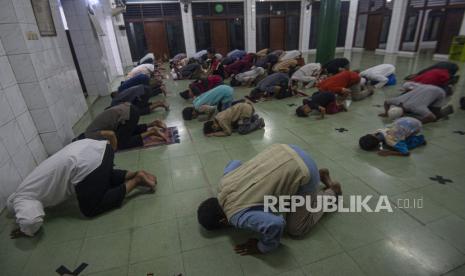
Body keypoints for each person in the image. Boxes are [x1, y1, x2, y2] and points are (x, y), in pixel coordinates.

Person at [197, 144, 341, 255]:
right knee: (278, 196)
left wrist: (263, 246)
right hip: (285, 150)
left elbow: (276, 224)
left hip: (304, 171)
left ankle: (331, 192)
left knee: (296, 229)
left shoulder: (236, 216)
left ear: (223, 221)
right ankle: (318, 175)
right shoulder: (223, 182)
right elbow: (234, 162)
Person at [7, 139, 157, 238]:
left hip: (87, 163)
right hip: (100, 148)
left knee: (91, 208)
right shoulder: (27, 184)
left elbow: (31, 221)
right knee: (102, 178)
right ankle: (137, 173)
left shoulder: (21, 199)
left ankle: (136, 181)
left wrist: (25, 230)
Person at [82, 103, 168, 150]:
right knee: (125, 132)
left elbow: (111, 134)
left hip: (128, 115)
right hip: (129, 108)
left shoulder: (90, 135)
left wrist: (113, 149)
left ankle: (152, 132)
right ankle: (153, 123)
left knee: (121, 143)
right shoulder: (90, 129)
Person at [380, 82, 452, 123]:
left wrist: (418, 121)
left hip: (439, 92)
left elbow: (431, 117)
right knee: (421, 110)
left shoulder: (416, 108)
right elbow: (386, 102)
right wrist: (386, 113)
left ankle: (448, 110)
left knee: (436, 116)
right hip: (424, 87)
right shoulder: (397, 101)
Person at [359, 117, 426, 156]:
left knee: (404, 145)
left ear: (376, 146)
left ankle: (420, 140)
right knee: (399, 135)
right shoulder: (378, 132)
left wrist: (388, 153)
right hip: (406, 119)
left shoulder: (391, 141)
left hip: (416, 126)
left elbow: (406, 153)